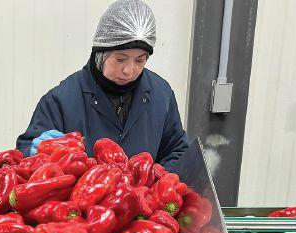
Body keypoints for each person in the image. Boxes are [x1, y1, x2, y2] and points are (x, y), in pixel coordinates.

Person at [16, 0, 189, 170]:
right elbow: (22, 155)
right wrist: (34, 151)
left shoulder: (161, 95)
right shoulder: (61, 100)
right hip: (85, 190)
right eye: (120, 59)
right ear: (101, 54)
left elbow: (177, 151)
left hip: (144, 190)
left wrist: (157, 181)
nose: (129, 70)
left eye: (139, 60)